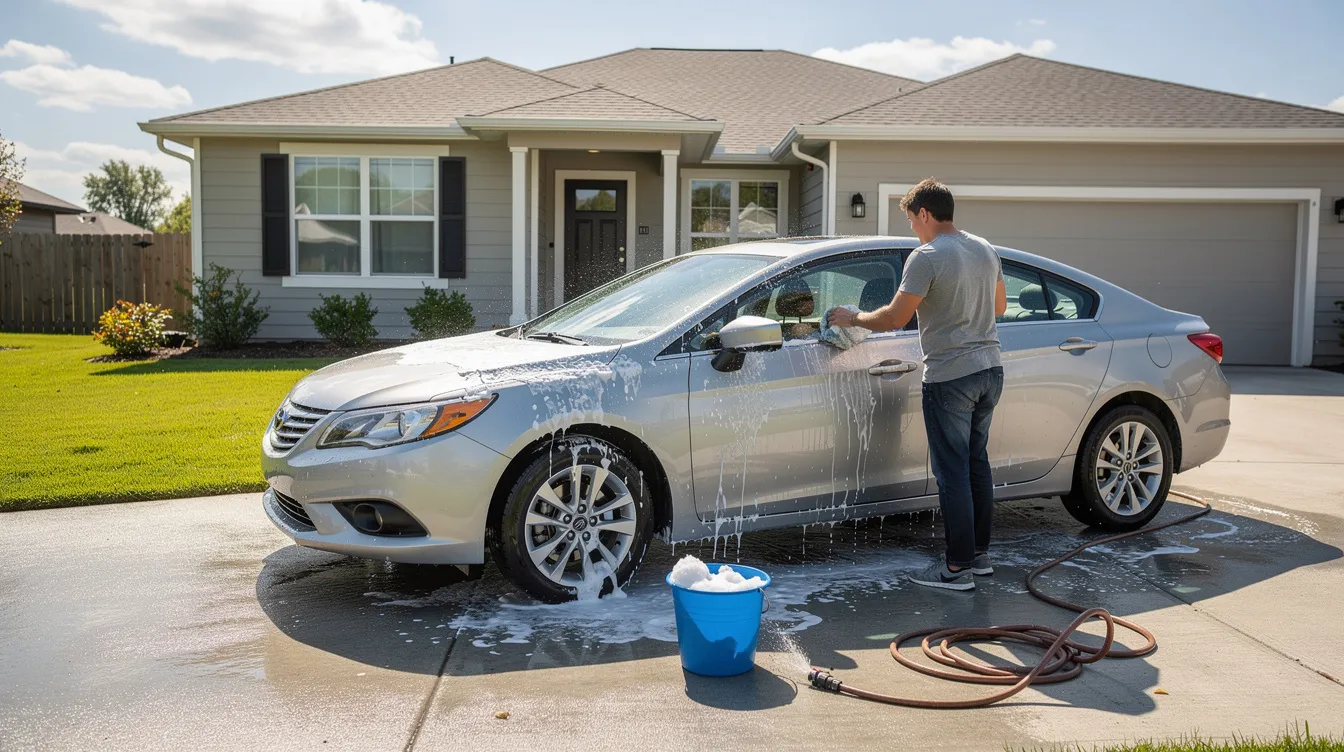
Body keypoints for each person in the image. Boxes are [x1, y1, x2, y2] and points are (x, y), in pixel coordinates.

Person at [828, 178, 1007, 591]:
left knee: (952, 472)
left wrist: (851, 318)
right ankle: (979, 558)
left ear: (924, 213)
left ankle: (957, 569)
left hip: (951, 376)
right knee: (976, 464)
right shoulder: (984, 248)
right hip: (990, 370)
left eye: (912, 220)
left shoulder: (926, 256)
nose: (913, 228)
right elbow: (998, 307)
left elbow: (893, 318)